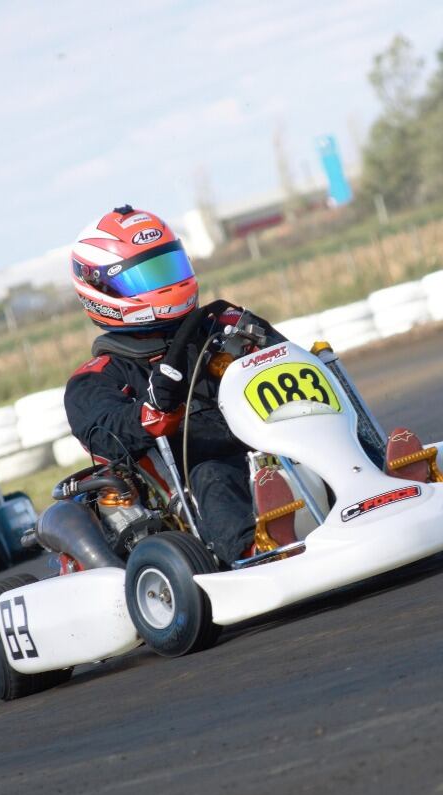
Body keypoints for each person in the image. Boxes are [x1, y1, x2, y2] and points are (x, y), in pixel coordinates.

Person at [63, 205, 285, 563]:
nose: (168, 283)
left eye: (169, 267)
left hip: (275, 443)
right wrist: (150, 411)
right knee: (212, 472)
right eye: (148, 275)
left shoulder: (224, 325)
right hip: (190, 488)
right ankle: (255, 551)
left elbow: (289, 365)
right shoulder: (95, 377)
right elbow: (105, 430)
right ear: (101, 287)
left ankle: (383, 481)